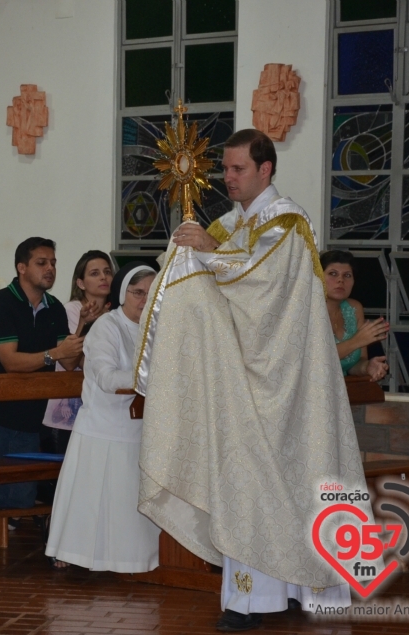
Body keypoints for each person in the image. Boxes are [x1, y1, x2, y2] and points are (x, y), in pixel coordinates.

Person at [133, 129, 366, 632]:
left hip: (288, 383)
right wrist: (188, 256)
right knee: (245, 484)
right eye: (225, 169)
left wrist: (208, 252)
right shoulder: (228, 223)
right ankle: (249, 600)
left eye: (238, 169)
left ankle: (316, 587)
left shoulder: (286, 221)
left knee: (301, 478)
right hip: (239, 382)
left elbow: (262, 285)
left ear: (266, 169)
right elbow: (211, 288)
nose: (228, 178)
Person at [46, 263, 160, 571]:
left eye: (151, 294)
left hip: (141, 433)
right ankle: (84, 557)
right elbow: (108, 379)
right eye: (138, 292)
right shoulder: (107, 327)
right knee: (96, 505)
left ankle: (136, 559)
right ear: (124, 293)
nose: (144, 300)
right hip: (103, 430)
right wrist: (155, 379)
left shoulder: (157, 327)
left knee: (127, 510)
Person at [0, 237, 84, 514]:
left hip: (29, 416)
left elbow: (71, 361)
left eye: (53, 263)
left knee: (20, 499)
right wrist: (54, 353)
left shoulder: (55, 307)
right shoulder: (1, 303)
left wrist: (82, 329)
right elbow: (11, 360)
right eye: (41, 263)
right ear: (22, 268)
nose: (50, 268)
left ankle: (7, 552)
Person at [41, 250, 112, 457]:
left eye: (107, 272)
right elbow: (74, 361)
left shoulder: (117, 312)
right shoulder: (71, 310)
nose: (103, 277)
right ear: (80, 283)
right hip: (67, 412)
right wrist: (86, 323)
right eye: (95, 273)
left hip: (101, 414)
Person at [320, 250, 389, 381]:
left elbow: (353, 364)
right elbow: (314, 360)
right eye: (333, 274)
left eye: (347, 275)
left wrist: (367, 367)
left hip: (342, 390)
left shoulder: (354, 308)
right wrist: (356, 341)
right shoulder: (306, 311)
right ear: (318, 277)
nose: (340, 280)